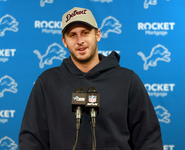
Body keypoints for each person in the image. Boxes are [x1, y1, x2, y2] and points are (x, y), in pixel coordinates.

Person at [19, 7, 163, 150]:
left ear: (97, 35)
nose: (80, 40)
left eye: (85, 33)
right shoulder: (48, 82)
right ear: (64, 41)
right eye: (72, 35)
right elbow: (31, 139)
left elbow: (149, 139)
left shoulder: (127, 80)